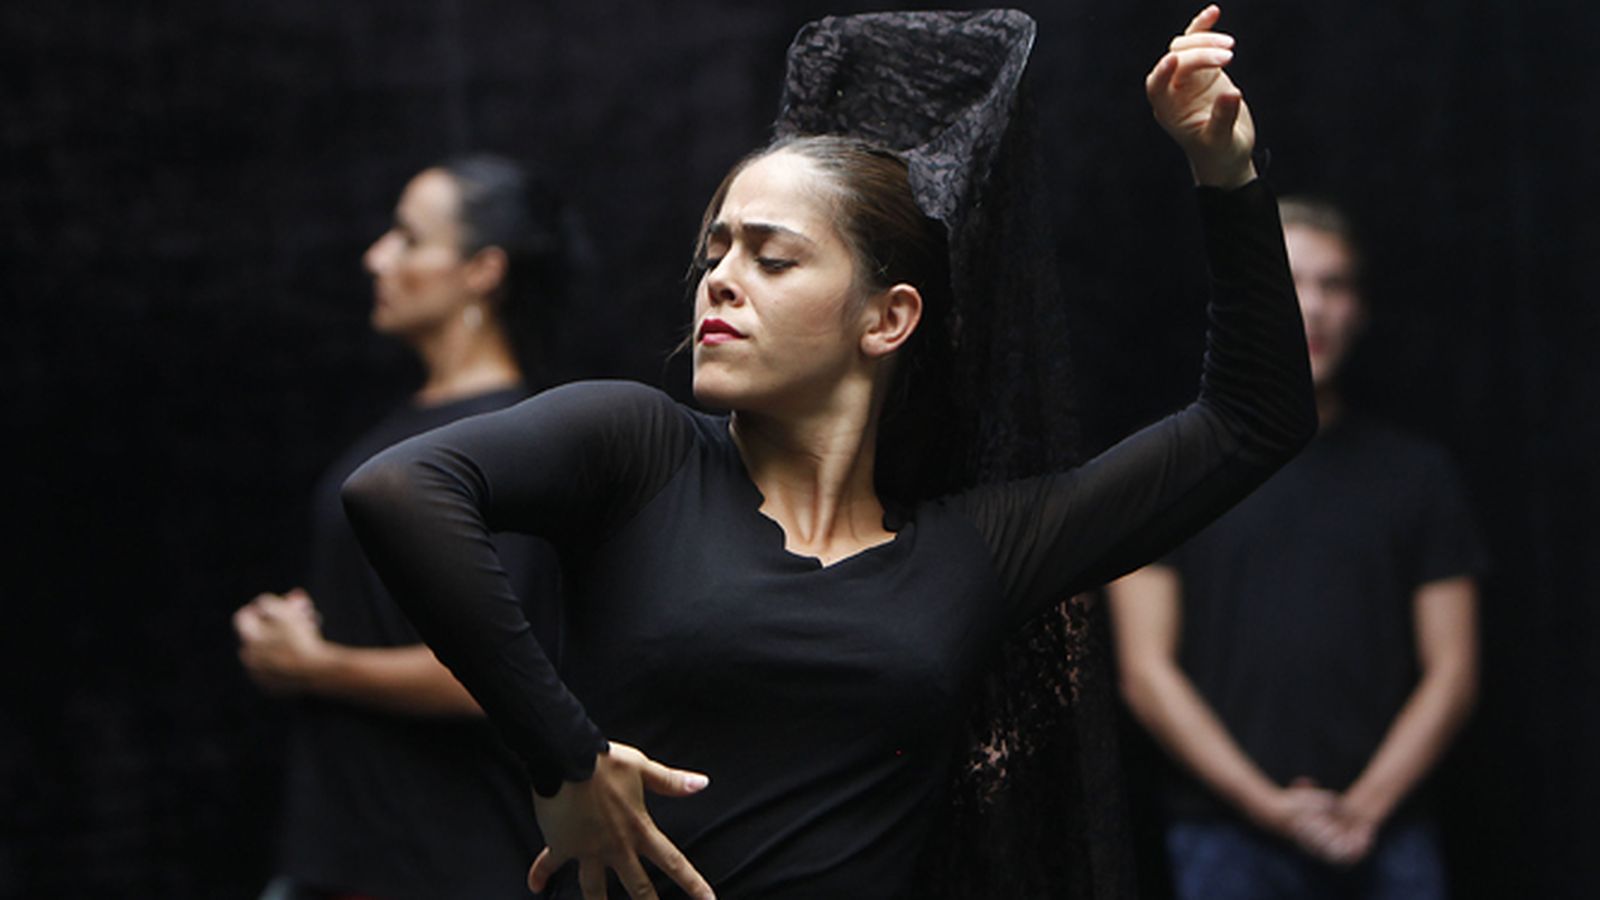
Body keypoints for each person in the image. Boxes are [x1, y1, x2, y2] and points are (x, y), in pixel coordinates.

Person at [340, 8, 1315, 898]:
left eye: (771, 257)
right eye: (712, 253)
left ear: (886, 319)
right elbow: (401, 489)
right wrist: (567, 761)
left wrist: (1223, 169)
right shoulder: (641, 450)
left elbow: (1252, 420)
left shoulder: (973, 551)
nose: (719, 282)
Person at [1107, 195, 1484, 899]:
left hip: (1388, 834)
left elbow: (1453, 671)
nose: (1312, 307)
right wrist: (1268, 808)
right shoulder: (1170, 470)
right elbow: (1146, 673)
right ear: (1247, 299)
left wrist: (1364, 807)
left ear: (1360, 309)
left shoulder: (1418, 475)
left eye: (1333, 285)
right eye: (1289, 280)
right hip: (1224, 838)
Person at [234, 154, 575, 899]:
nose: (376, 257)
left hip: (442, 862)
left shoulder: (511, 442)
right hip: (347, 853)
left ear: (482, 269)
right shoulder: (410, 426)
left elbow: (500, 675)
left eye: (408, 238)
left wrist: (316, 664)